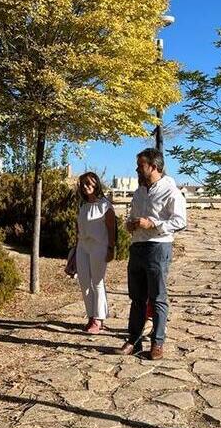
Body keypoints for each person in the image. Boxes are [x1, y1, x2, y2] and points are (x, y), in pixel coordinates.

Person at [117, 148, 187, 360]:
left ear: (154, 167)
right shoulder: (139, 192)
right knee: (136, 298)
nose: (137, 169)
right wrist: (131, 224)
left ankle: (157, 343)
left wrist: (152, 224)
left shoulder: (171, 191)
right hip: (137, 247)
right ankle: (134, 340)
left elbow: (180, 221)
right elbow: (134, 216)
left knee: (157, 298)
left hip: (158, 247)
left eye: (141, 165)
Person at [72, 172, 116, 334]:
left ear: (96, 184)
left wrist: (111, 248)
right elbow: (79, 228)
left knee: (97, 282)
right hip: (83, 247)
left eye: (89, 183)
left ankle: (99, 318)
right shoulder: (83, 205)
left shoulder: (105, 205)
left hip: (99, 246)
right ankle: (91, 315)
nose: (86, 187)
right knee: (84, 283)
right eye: (83, 184)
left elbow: (112, 229)